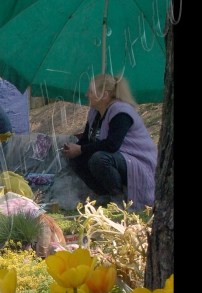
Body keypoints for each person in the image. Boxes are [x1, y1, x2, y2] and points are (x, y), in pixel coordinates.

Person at [61, 73, 157, 211]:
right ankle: (104, 196)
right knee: (77, 159)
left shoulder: (121, 112)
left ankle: (119, 198)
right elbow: (86, 140)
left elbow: (112, 145)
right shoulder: (94, 113)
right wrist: (73, 149)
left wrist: (81, 149)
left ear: (104, 95)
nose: (87, 95)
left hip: (137, 162)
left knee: (99, 159)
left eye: (91, 92)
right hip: (117, 158)